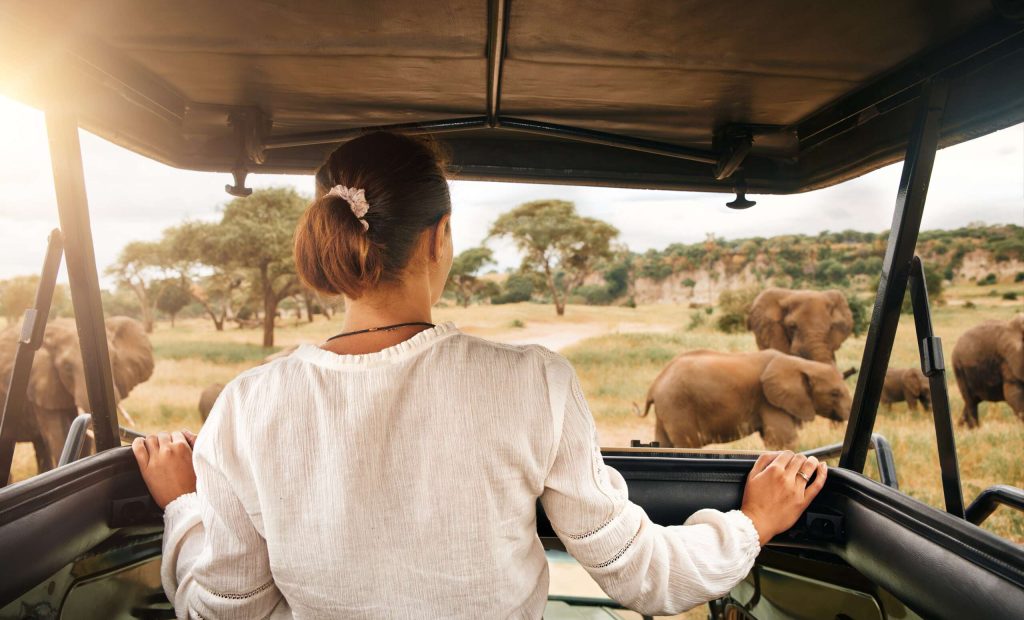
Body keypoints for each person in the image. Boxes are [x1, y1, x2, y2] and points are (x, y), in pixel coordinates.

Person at [133, 131, 827, 619]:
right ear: (439, 239)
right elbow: (643, 573)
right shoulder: (533, 382)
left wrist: (182, 507)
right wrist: (751, 524)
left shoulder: (248, 406)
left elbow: (224, 611)